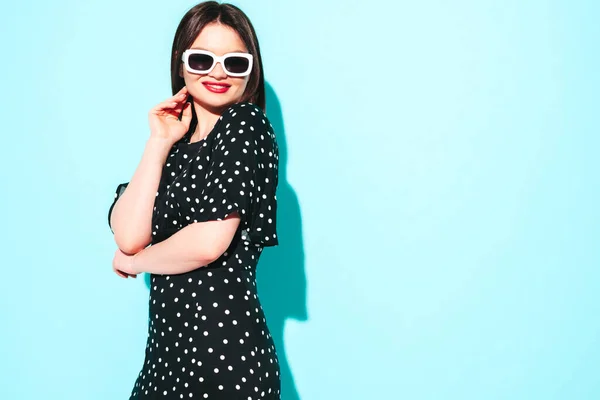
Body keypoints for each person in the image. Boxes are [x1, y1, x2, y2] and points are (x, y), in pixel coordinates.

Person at [107, 2, 281, 398]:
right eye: (203, 58)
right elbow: (130, 235)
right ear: (180, 62)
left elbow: (208, 242)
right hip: (165, 358)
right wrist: (159, 141)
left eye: (235, 63)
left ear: (251, 70)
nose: (218, 72)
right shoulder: (175, 149)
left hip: (224, 356)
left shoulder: (246, 125)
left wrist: (134, 264)